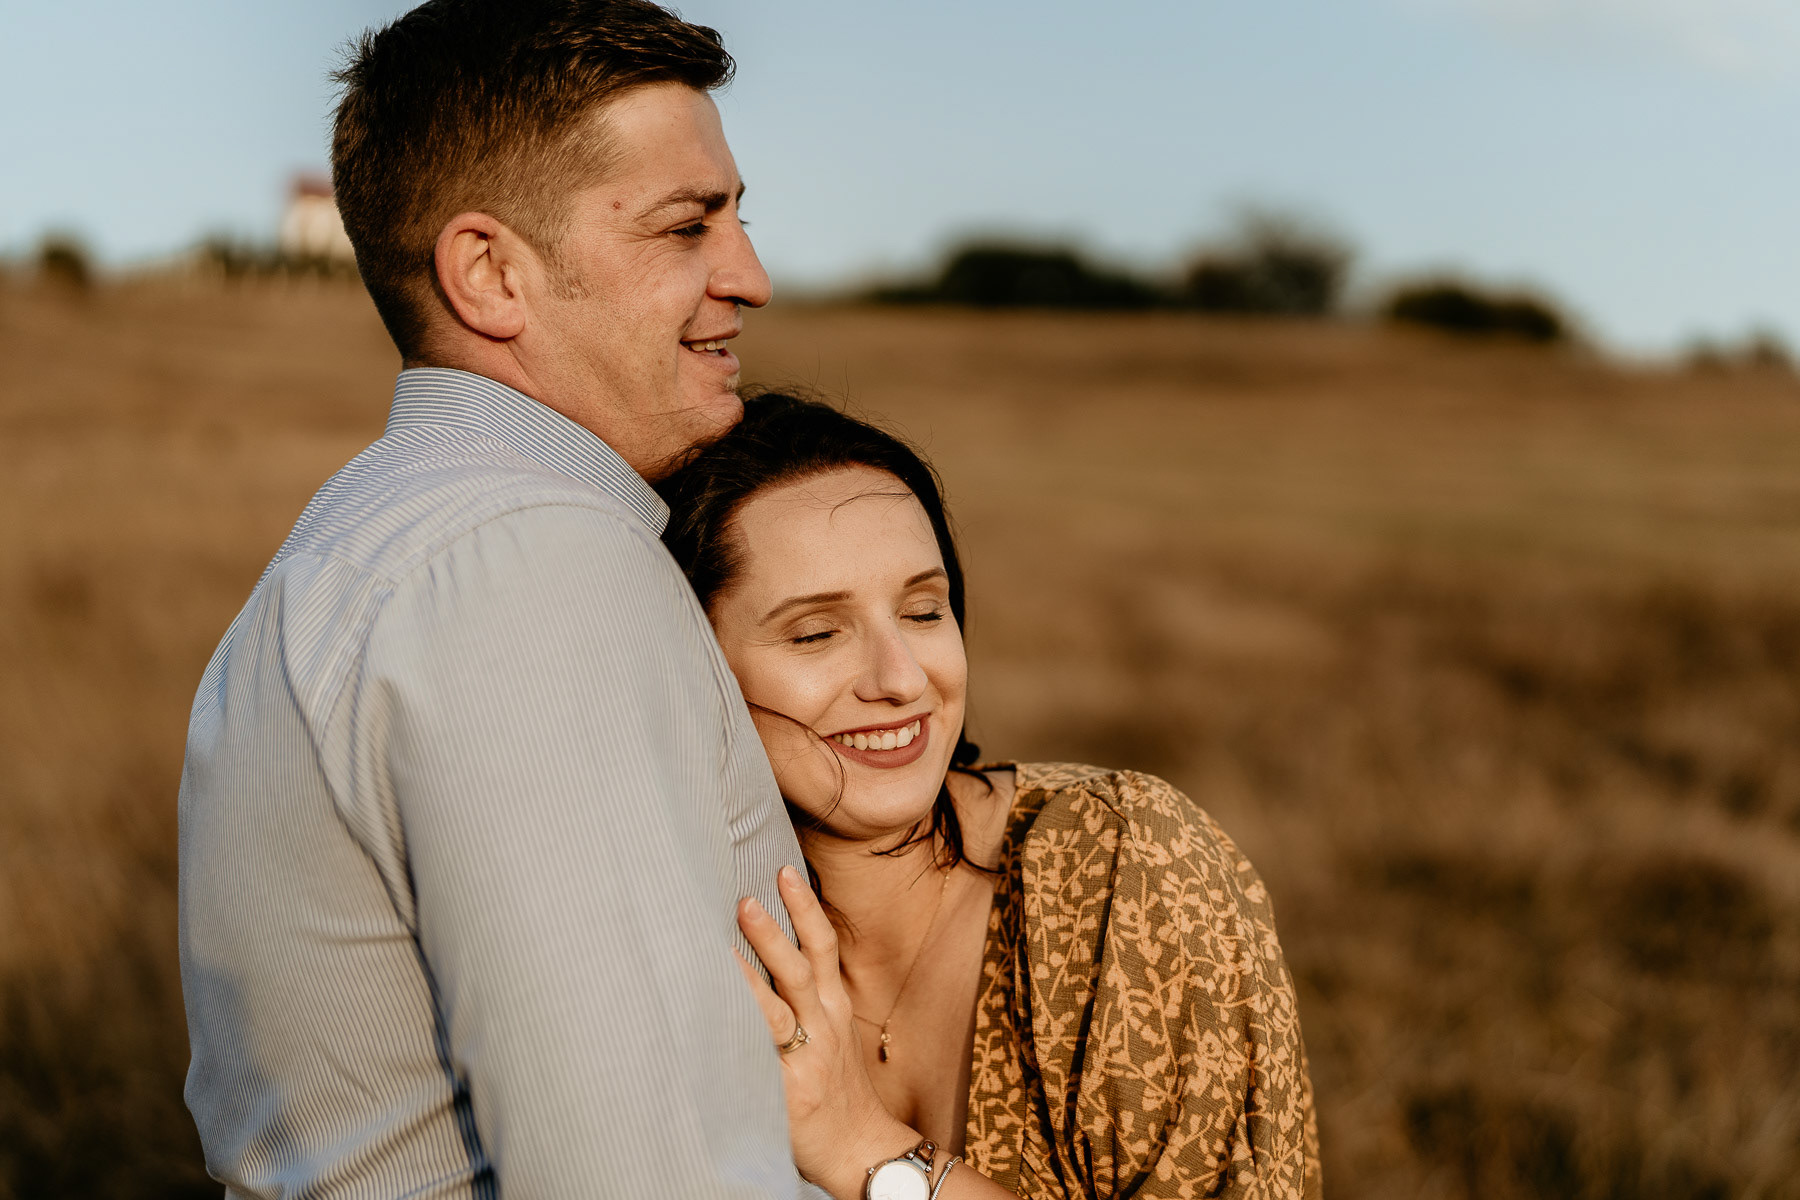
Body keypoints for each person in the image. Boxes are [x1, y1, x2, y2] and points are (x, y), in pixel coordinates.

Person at [177, 3, 828, 1195]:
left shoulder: (378, 538)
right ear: (490, 274)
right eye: (688, 225)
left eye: (739, 218)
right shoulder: (530, 563)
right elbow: (642, 1168)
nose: (751, 277)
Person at [656, 393, 1323, 1200]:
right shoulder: (686, 922)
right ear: (695, 669)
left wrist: (861, 1147)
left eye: (923, 611)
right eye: (816, 633)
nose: (902, 678)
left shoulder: (1122, 871)